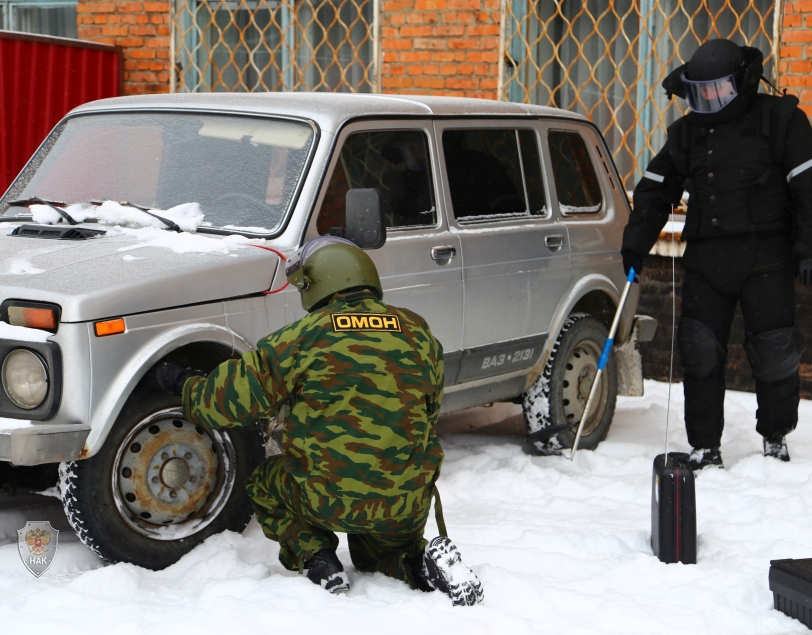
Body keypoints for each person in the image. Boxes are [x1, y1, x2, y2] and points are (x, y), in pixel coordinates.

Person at [156, 236, 484, 605]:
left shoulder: (304, 338)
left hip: (325, 498)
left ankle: (317, 558)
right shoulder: (418, 332)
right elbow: (428, 412)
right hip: (401, 501)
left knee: (264, 482)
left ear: (320, 285)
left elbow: (224, 402)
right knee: (382, 558)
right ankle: (422, 567)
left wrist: (182, 383)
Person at [622, 39, 812, 470]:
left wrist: (807, 247)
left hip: (768, 257)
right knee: (700, 350)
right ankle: (705, 445)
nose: (709, 101)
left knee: (776, 349)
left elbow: (808, 190)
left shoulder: (781, 119)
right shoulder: (687, 133)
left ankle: (775, 436)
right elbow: (654, 190)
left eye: (718, 92)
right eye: (700, 93)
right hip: (708, 256)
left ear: (741, 84)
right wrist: (636, 244)